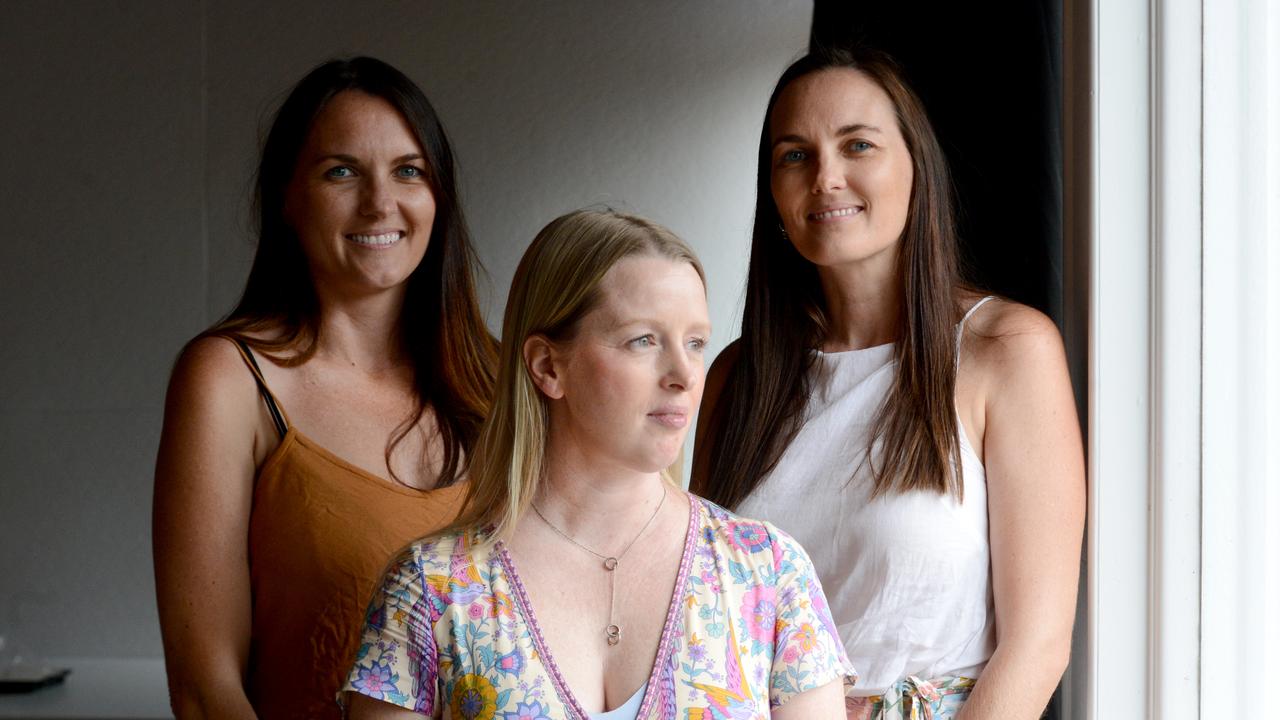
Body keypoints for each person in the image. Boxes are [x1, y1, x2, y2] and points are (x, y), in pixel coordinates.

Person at [691, 47, 1085, 720]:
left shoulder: (1006, 350)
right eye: (795, 155)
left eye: (858, 145)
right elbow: (698, 615)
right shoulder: (736, 375)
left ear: (915, 168)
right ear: (774, 197)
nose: (826, 177)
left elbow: (1037, 646)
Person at [340, 209, 853, 719]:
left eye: (694, 342)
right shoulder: (430, 591)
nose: (683, 374)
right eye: (643, 340)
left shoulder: (769, 573)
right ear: (548, 367)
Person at [152, 57, 497, 719]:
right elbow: (204, 690)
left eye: (409, 170)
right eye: (341, 171)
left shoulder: (504, 380)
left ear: (439, 196)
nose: (380, 203)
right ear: (288, 196)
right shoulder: (230, 379)